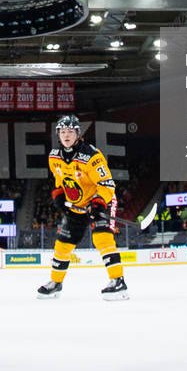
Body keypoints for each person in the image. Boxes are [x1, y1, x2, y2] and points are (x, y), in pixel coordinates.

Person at [39, 115, 127, 300]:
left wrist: (97, 204)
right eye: (63, 132)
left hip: (101, 201)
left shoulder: (92, 156)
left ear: (78, 134)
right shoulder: (54, 157)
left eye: (70, 131)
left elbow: (107, 185)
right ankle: (56, 283)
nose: (66, 135)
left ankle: (118, 282)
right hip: (77, 206)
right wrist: (59, 196)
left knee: (102, 239)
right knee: (62, 245)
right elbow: (59, 181)